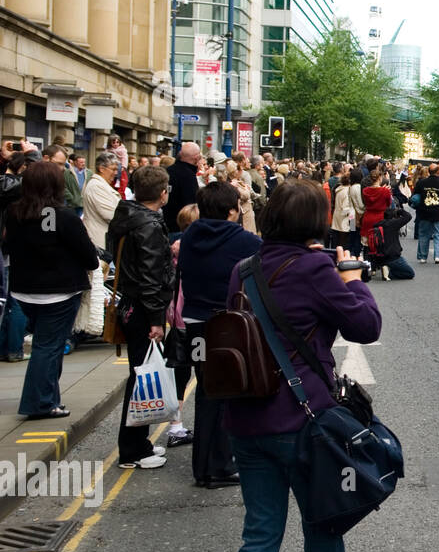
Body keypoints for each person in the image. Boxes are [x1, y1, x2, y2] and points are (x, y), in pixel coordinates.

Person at [221, 180, 380, 552]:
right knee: (324, 524)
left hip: (248, 420)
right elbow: (365, 327)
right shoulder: (315, 267)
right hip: (304, 422)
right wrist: (352, 281)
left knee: (259, 537)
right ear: (314, 224)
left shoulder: (243, 269)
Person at [178, 182, 262, 486]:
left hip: (195, 324)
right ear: (232, 210)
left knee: (206, 390)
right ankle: (219, 466)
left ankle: (204, 465)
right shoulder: (243, 241)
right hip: (226, 324)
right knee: (227, 391)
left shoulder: (190, 236)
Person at [2, 162, 98, 419]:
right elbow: (90, 258)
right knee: (47, 347)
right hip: (59, 293)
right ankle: (40, 403)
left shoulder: (14, 213)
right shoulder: (64, 217)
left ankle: (49, 397)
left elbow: (10, 245)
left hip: (24, 292)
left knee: (47, 346)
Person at [105, 165, 174, 468]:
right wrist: (157, 319)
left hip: (132, 304)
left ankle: (140, 442)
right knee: (142, 379)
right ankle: (132, 451)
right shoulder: (147, 225)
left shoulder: (128, 216)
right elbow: (150, 276)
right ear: (162, 193)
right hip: (143, 309)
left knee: (141, 376)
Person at [82, 151, 122, 254]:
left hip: (104, 239)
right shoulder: (96, 186)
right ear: (101, 169)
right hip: (100, 241)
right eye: (113, 169)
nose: (116, 173)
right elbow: (112, 215)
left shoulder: (101, 185)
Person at [412, 163, 439, 265]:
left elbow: (415, 196)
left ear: (428, 171)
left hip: (424, 212)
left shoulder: (421, 183)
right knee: (438, 235)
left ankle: (423, 257)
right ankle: (437, 256)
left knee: (424, 235)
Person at [368, 203, 415, 280]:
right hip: (393, 256)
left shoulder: (377, 225)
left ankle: (385, 267)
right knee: (410, 273)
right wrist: (399, 211)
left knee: (400, 265)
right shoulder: (393, 224)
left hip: (380, 257)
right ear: (393, 216)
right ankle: (389, 273)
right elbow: (408, 216)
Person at [162, 142, 201, 234]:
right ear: (196, 158)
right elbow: (191, 204)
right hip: (181, 227)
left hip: (165, 225)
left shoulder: (168, 171)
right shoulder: (189, 176)